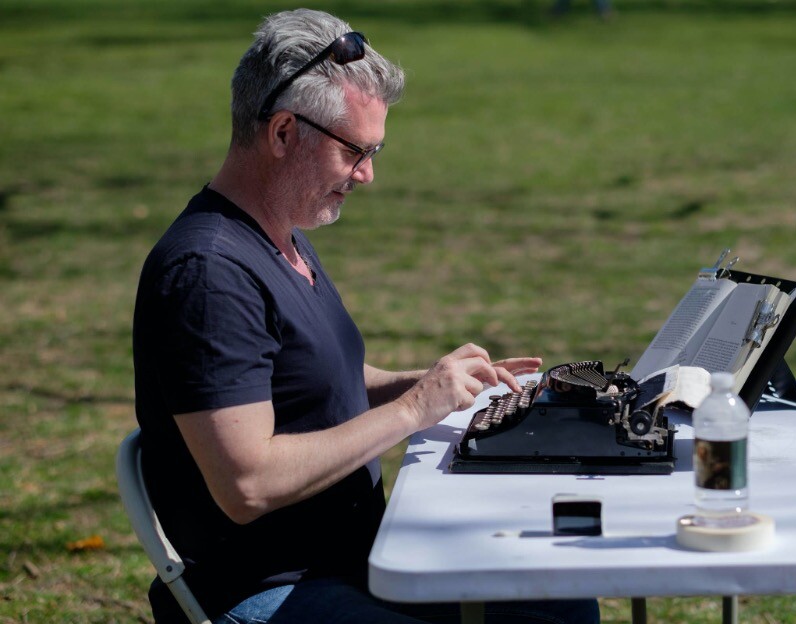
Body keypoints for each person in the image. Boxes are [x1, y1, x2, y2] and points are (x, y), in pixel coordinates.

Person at [132, 8, 600, 624]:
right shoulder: (209, 275)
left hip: (356, 559)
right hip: (269, 589)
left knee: (556, 601)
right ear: (281, 134)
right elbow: (246, 485)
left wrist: (433, 383)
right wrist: (413, 411)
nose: (368, 174)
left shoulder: (281, 237)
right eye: (356, 151)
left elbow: (317, 385)